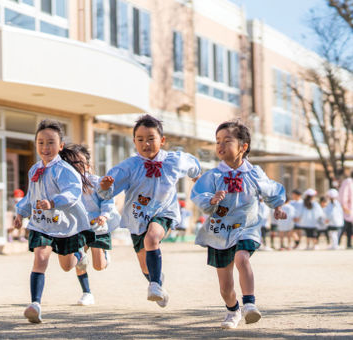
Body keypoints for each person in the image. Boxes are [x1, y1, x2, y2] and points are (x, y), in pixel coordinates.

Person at [191, 121, 286, 329]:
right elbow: (198, 195)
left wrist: (277, 206)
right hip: (220, 231)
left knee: (242, 258)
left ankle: (250, 304)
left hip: (246, 227)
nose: (220, 146)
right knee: (225, 287)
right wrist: (212, 199)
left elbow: (270, 189)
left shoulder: (254, 173)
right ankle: (232, 310)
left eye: (227, 141)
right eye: (217, 141)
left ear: (243, 146)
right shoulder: (213, 175)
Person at [99, 114, 201, 308]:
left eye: (151, 139)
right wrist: (104, 187)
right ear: (134, 142)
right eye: (140, 139)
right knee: (145, 263)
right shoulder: (129, 166)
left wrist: (197, 176)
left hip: (164, 212)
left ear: (162, 141)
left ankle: (154, 284)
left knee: (152, 238)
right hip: (137, 218)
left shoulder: (174, 161)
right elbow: (107, 190)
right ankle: (156, 280)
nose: (146, 143)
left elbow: (192, 164)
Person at [13, 120, 94, 324]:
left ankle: (78, 255)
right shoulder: (34, 170)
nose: (45, 147)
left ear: (60, 146)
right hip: (41, 224)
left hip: (65, 226)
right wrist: (20, 213)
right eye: (40, 142)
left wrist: (53, 202)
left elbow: (73, 193)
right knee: (40, 258)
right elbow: (31, 195)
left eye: (50, 143)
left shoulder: (65, 170)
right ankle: (35, 305)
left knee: (67, 266)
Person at [60, 144, 121, 306]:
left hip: (98, 225)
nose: (75, 167)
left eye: (78, 162)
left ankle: (104, 255)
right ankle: (87, 292)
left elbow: (107, 198)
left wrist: (104, 215)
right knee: (80, 260)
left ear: (87, 166)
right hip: (78, 227)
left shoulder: (95, 181)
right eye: (70, 163)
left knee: (99, 266)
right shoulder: (65, 184)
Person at [338, 173, 353, 249]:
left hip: (350, 210)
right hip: (347, 209)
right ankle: (337, 243)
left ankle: (349, 244)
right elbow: (344, 194)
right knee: (344, 227)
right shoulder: (348, 182)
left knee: (349, 227)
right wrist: (344, 206)